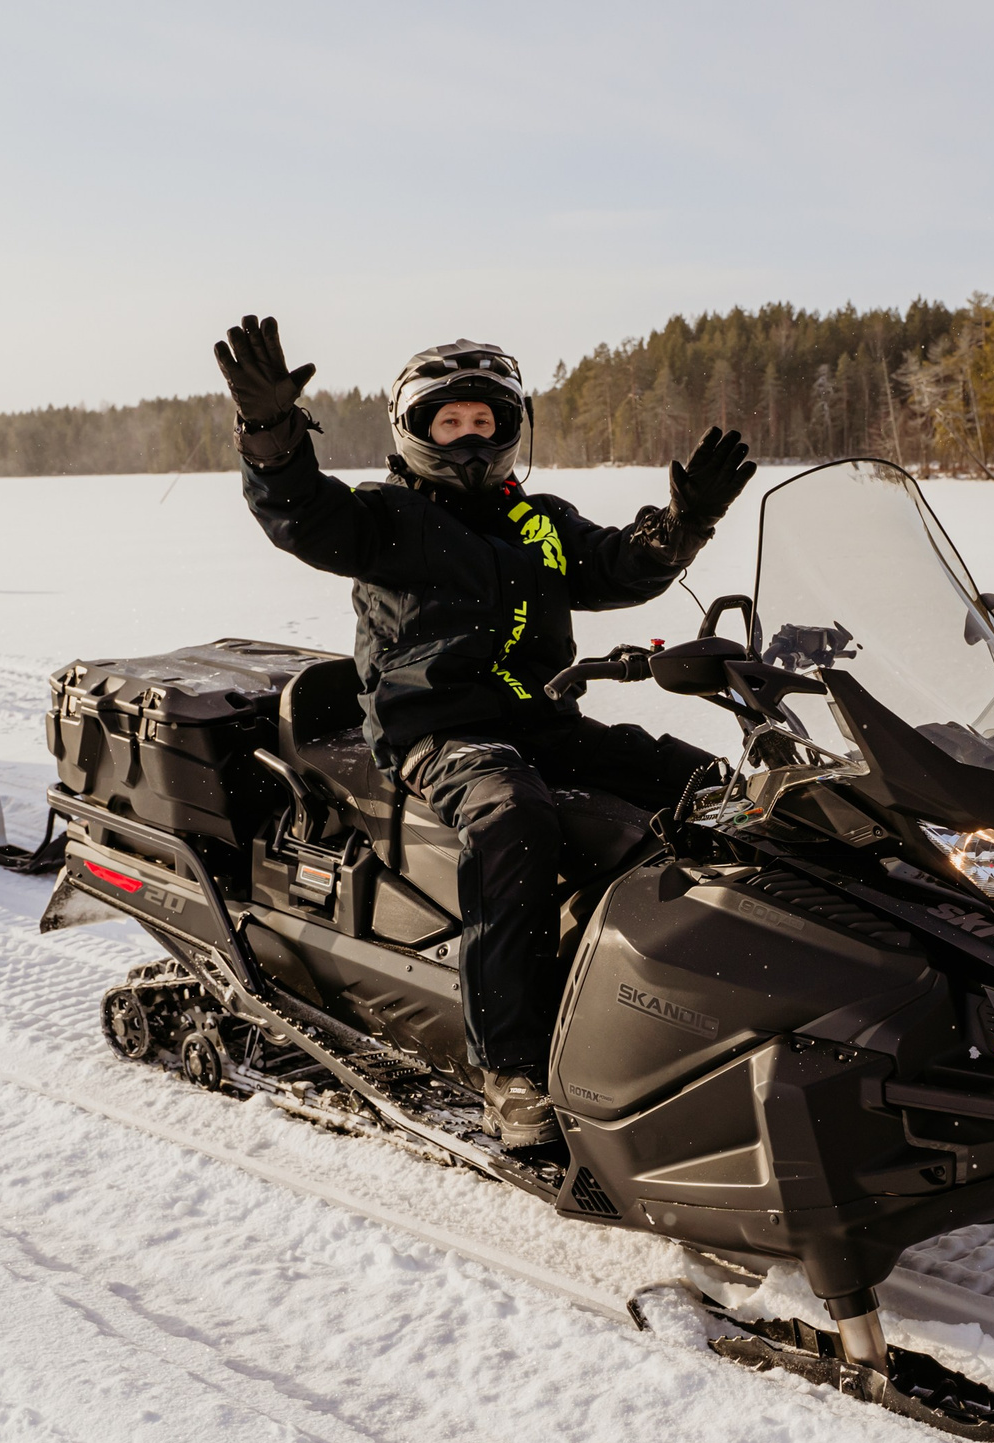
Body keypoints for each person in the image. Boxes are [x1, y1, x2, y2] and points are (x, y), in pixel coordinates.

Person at [218, 314, 756, 1147]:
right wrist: (269, 431)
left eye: (486, 422)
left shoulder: (537, 520)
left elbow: (616, 567)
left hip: (542, 717)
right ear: (415, 431)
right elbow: (299, 513)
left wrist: (684, 522)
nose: (470, 439)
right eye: (450, 422)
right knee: (514, 816)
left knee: (712, 785)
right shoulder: (384, 516)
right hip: (437, 729)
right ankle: (510, 1071)